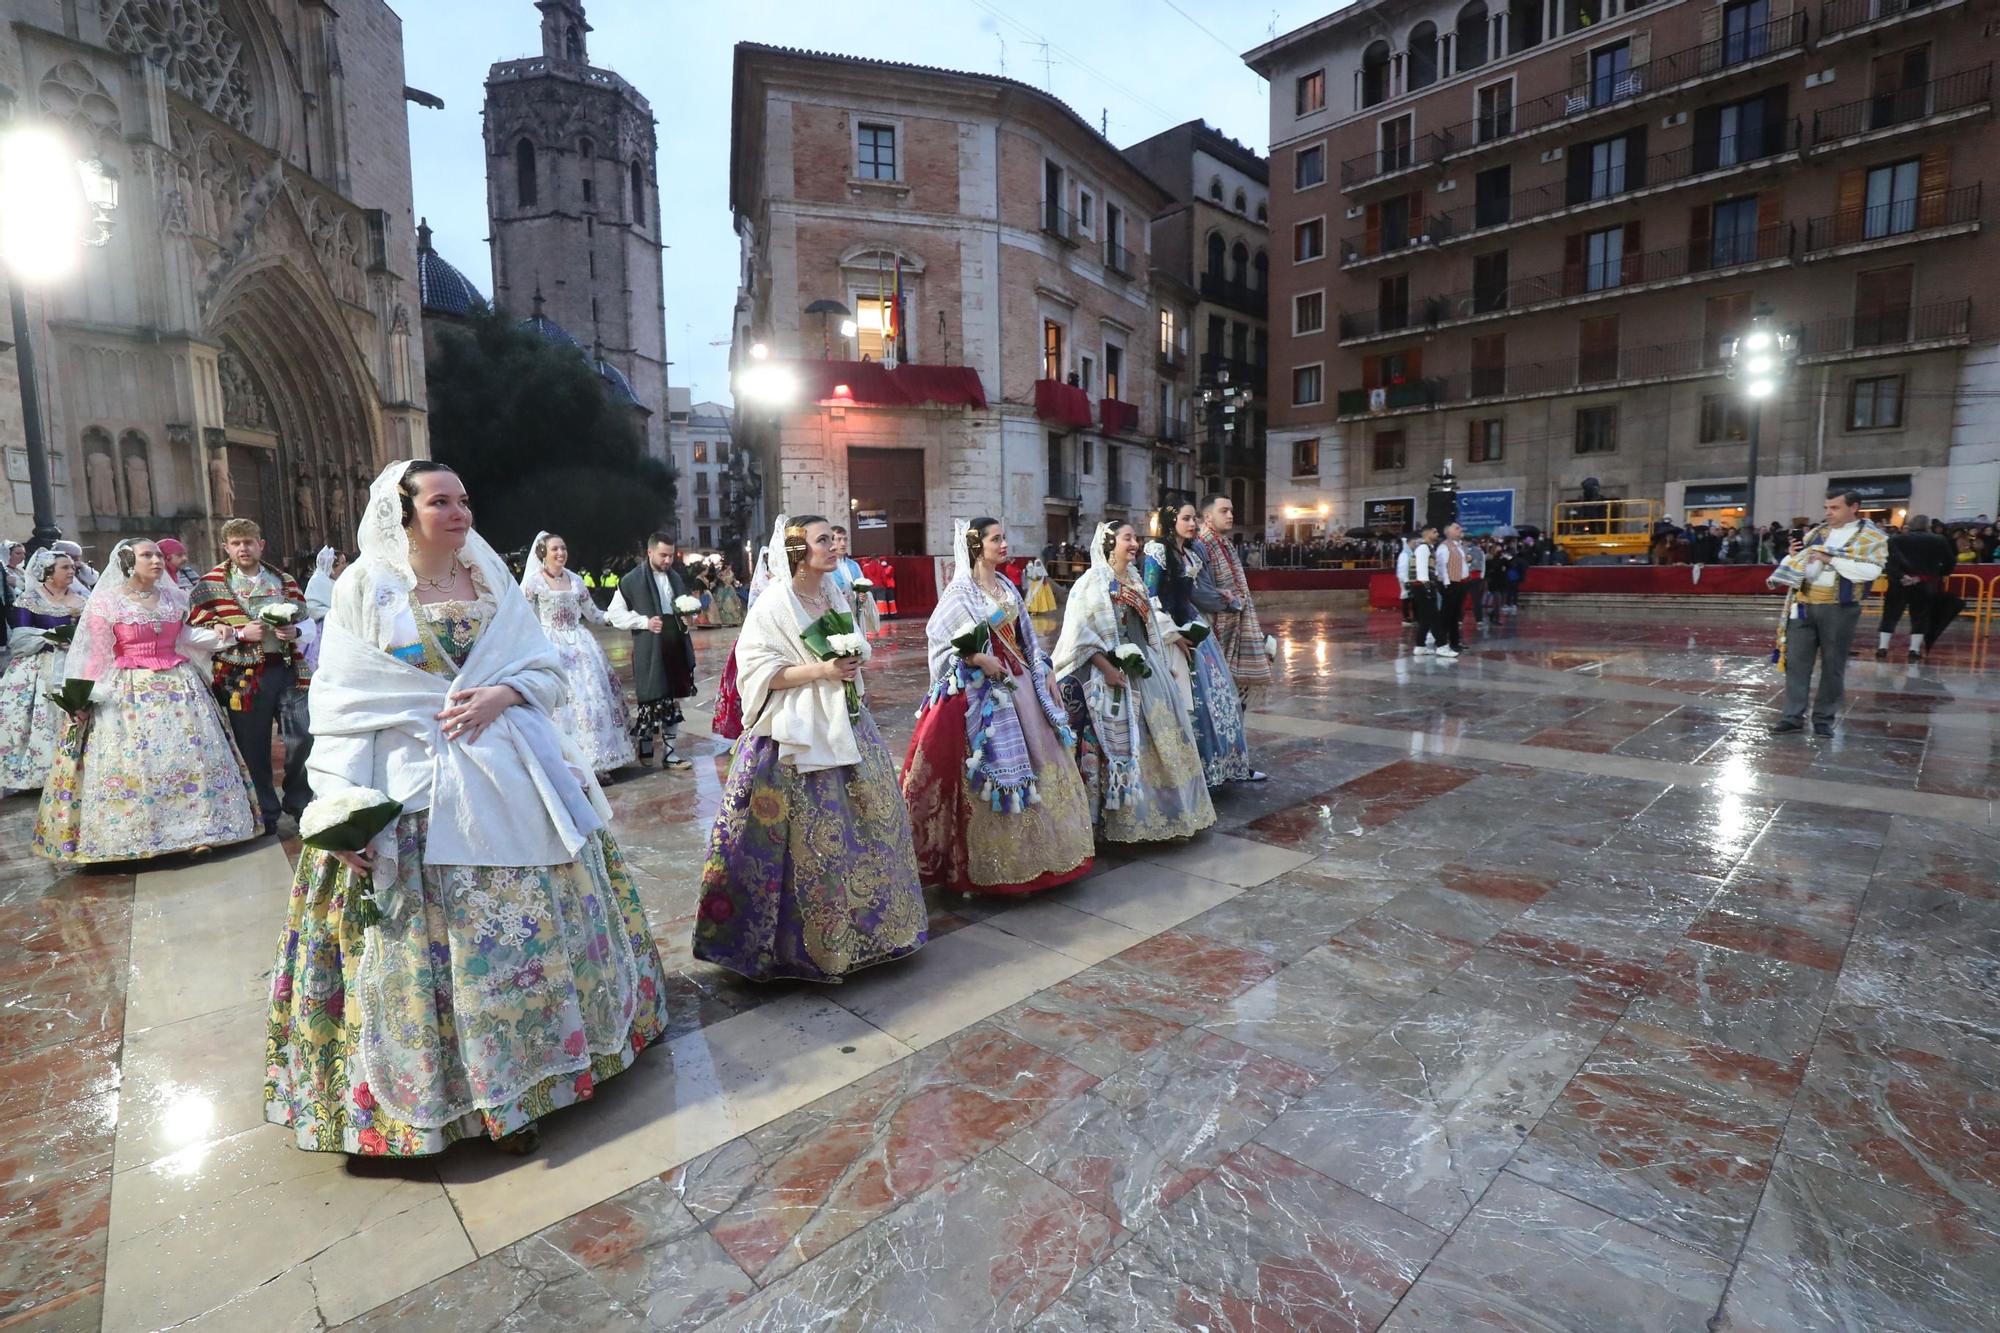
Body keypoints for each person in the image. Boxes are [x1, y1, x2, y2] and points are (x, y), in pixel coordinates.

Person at [265, 460, 669, 1157]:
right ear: (402, 510)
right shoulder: (367, 586)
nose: (459, 512)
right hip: (411, 780)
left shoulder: (489, 581)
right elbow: (342, 702)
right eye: (440, 501)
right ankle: (451, 1095)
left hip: (508, 773)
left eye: (464, 500)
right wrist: (338, 808)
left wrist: (501, 694)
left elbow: (540, 667)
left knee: (525, 935)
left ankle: (537, 1072)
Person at [692, 513, 928, 981]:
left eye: (833, 539)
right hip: (795, 734)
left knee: (867, 825)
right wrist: (820, 671)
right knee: (807, 840)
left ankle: (873, 932)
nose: (835, 547)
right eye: (823, 541)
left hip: (847, 723)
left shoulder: (831, 593)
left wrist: (848, 662)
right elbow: (758, 673)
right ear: (798, 550)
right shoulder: (774, 604)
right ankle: (797, 946)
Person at [902, 517, 1094, 896]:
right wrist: (975, 659)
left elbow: (1026, 639)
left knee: (1045, 762)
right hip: (985, 696)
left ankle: (1047, 859)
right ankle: (996, 866)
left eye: (1004, 538)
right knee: (987, 770)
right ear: (977, 546)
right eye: (996, 539)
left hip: (1022, 684)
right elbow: (940, 640)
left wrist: (1046, 668)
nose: (1004, 545)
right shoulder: (960, 593)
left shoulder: (1006, 585)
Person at [34, 539, 260, 861]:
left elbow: (185, 637)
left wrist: (233, 634)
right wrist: (84, 696)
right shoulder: (107, 603)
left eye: (158, 554)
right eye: (147, 555)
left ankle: (202, 829)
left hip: (180, 689)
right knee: (138, 762)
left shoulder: (174, 597)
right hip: (128, 691)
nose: (156, 560)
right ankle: (144, 833)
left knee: (189, 758)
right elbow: (96, 653)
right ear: (129, 563)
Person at [1053, 520, 1216, 843]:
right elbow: (1081, 637)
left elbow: (1148, 629)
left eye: (1135, 539)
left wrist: (1161, 665)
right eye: (1127, 538)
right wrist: (1108, 668)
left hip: (1146, 669)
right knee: (1123, 742)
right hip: (1109, 673)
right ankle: (1121, 820)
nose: (1134, 544)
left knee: (1165, 739)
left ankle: (1170, 813)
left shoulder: (1136, 580)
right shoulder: (1092, 583)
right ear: (1109, 544)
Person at [190, 518, 315, 836]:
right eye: (236, 543)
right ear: (226, 548)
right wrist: (236, 633)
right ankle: (266, 810)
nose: (243, 548)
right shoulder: (209, 585)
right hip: (239, 674)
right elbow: (191, 633)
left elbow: (308, 622)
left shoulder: (282, 580)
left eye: (249, 542)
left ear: (261, 544)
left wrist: (295, 630)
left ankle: (300, 802)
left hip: (287, 668)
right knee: (253, 745)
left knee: (303, 735)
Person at [1145, 503, 1264, 786]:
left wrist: (1220, 594)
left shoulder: (1189, 553)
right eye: (1185, 518)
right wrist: (1171, 633)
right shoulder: (1157, 551)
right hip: (1170, 632)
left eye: (1193, 518)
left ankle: (1224, 765)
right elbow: (1150, 598)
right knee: (1188, 703)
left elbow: (1195, 591)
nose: (1192, 523)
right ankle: (1189, 774)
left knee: (1218, 698)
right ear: (1170, 520)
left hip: (1196, 629)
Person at [1767, 489, 1887, 738]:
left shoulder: (1871, 536)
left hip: (1839, 608)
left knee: (1833, 665)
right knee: (1796, 664)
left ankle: (1823, 718)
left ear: (1854, 507)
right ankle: (1792, 716)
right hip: (1802, 604)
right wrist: (1793, 555)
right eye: (1826, 508)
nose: (1828, 513)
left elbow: (1869, 572)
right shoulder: (1817, 532)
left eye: (1835, 508)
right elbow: (1800, 561)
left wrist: (1829, 558)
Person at [520, 531, 639, 777]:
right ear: (543, 552)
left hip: (581, 644)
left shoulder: (575, 580)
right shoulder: (534, 583)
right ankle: (566, 762)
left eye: (563, 548)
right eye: (555, 549)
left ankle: (599, 762)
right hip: (551, 645)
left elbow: (593, 613)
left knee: (592, 700)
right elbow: (524, 618)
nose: (560, 553)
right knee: (563, 704)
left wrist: (618, 617)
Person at [605, 534, 697, 769]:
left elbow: (682, 604)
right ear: (650, 552)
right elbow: (614, 614)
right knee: (650, 697)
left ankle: (670, 753)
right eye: (663, 555)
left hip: (675, 643)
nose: (667, 560)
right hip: (649, 646)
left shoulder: (675, 577)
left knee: (674, 699)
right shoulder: (631, 580)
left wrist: (688, 617)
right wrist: (643, 622)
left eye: (670, 555)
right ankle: (645, 743)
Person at [0, 550, 87, 793]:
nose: (72, 571)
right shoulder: (30, 599)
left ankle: (75, 769)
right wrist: (51, 638)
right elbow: (19, 638)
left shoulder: (82, 599)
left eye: (72, 567)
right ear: (48, 573)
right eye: (65, 568)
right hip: (38, 668)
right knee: (39, 717)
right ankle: (40, 776)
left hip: (75, 664)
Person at [1191, 494, 1273, 708]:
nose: (1230, 515)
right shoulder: (1202, 545)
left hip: (1233, 625)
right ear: (1207, 517)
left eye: (1231, 510)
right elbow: (1202, 593)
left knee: (1233, 698)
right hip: (1216, 629)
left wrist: (1237, 600)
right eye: (1224, 511)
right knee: (1217, 696)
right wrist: (1235, 602)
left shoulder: (1224, 544)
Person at [1876, 514, 1956, 661]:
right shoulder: (1939, 540)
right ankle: (1914, 650)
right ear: (1927, 526)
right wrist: (1937, 574)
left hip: (1899, 583)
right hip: (1926, 583)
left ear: (1910, 525)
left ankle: (1883, 647)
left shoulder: (1895, 539)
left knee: (1890, 614)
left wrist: (1900, 576)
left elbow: (1887, 561)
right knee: (1921, 616)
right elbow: (1950, 561)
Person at [302, 546, 349, 673]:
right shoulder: (319, 580)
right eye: (342, 563)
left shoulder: (335, 580)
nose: (345, 566)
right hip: (322, 629)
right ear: (332, 566)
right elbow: (313, 608)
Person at [1434, 522, 1473, 656]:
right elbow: (1441, 566)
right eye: (1456, 528)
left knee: (1455, 614)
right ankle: (1442, 642)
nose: (1460, 530)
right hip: (1451, 583)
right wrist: (1447, 584)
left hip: (1460, 582)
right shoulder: (1444, 547)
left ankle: (1455, 642)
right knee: (1447, 614)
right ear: (1448, 532)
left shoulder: (1458, 546)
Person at [713, 562, 745, 627]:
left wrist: (737, 583)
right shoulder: (721, 573)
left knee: (733, 603)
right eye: (729, 566)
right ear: (726, 566)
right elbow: (717, 581)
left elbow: (734, 580)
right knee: (726, 603)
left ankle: (734, 621)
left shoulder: (731, 573)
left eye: (730, 566)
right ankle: (727, 621)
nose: (730, 567)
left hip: (730, 589)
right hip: (723, 590)